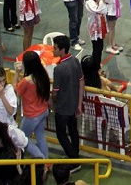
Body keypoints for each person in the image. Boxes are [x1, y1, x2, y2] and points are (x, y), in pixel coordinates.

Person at [51, 35, 84, 172]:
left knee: (61, 133)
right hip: (74, 104)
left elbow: (55, 92)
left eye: (55, 48)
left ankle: (73, 159)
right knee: (73, 130)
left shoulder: (58, 69)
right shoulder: (75, 61)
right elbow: (81, 81)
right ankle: (74, 156)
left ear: (62, 50)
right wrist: (79, 103)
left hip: (63, 107)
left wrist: (52, 101)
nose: (52, 50)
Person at [13, 50, 50, 158]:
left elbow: (16, 90)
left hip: (32, 115)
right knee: (40, 137)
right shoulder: (43, 74)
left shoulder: (26, 81)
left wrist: (16, 72)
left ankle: (41, 159)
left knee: (22, 139)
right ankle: (46, 162)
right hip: (43, 111)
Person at [84, 0, 109, 70]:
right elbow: (98, 10)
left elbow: (105, 10)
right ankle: (95, 67)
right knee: (96, 48)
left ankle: (97, 65)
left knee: (100, 47)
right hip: (95, 29)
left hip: (101, 26)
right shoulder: (89, 2)